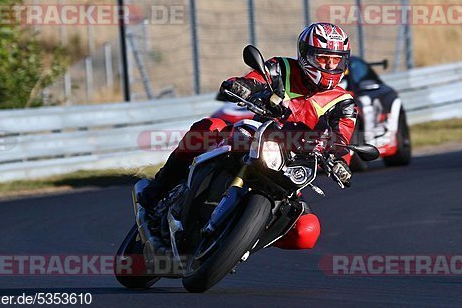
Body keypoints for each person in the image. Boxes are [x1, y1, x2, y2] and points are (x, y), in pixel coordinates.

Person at [139, 22, 358, 250]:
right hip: (255, 139)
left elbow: (341, 138)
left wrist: (340, 162)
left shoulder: (344, 103)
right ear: (306, 55)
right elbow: (255, 79)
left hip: (291, 166)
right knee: (209, 127)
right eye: (323, 59)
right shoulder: (281, 68)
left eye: (336, 60)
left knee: (307, 231)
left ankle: (240, 243)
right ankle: (159, 188)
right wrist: (241, 86)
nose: (331, 65)